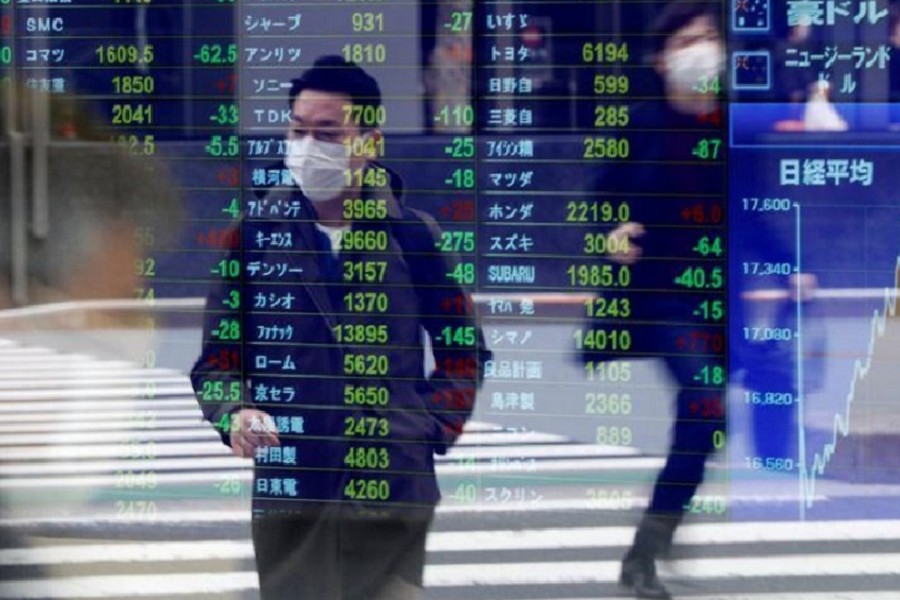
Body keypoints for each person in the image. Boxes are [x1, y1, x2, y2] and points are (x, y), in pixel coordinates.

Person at [190, 56, 489, 599]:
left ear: (369, 142)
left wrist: (426, 429)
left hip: (392, 487)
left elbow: (463, 350)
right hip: (293, 488)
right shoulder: (254, 238)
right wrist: (234, 411)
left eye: (327, 133)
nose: (308, 146)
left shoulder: (413, 237)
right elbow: (217, 361)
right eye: (298, 130)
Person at [592, 3, 727, 598]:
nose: (701, 49)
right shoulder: (642, 123)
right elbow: (602, 197)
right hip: (662, 297)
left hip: (721, 298)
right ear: (662, 57)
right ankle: (648, 552)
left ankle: (646, 548)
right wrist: (616, 230)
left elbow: (754, 200)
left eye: (708, 38)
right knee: (705, 403)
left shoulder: (726, 125)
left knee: (703, 426)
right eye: (687, 40)